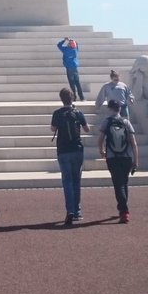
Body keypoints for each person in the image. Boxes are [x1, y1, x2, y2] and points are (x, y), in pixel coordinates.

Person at [50, 87, 90, 226]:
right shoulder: (78, 112)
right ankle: (77, 211)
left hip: (63, 149)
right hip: (77, 149)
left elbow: (53, 128)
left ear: (61, 99)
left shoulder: (57, 113)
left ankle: (70, 210)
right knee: (76, 180)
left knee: (67, 181)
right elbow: (87, 129)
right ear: (72, 98)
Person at [97, 99, 139, 223]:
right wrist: (136, 160)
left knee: (118, 184)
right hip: (126, 157)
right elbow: (133, 143)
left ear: (109, 108)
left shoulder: (107, 122)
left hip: (112, 157)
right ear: (120, 108)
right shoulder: (126, 122)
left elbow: (100, 140)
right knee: (124, 182)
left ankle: (124, 211)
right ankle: (122, 208)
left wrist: (102, 151)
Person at [57, 36, 84, 101]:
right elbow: (76, 44)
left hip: (69, 68)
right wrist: (71, 41)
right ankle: (82, 98)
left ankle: (74, 98)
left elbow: (58, 45)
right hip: (75, 68)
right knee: (77, 83)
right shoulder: (75, 50)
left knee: (72, 84)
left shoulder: (65, 50)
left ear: (69, 45)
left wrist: (65, 40)